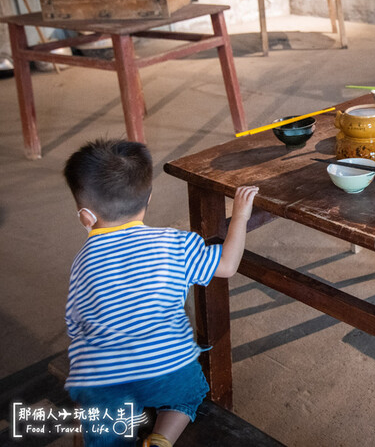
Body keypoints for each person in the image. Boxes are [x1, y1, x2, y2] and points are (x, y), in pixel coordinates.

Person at [62, 138, 258, 447]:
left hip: (107, 381)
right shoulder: (175, 244)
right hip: (167, 371)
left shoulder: (81, 262)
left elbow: (76, 326)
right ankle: (161, 439)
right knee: (189, 392)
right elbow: (227, 265)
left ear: (86, 216)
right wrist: (241, 216)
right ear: (148, 198)